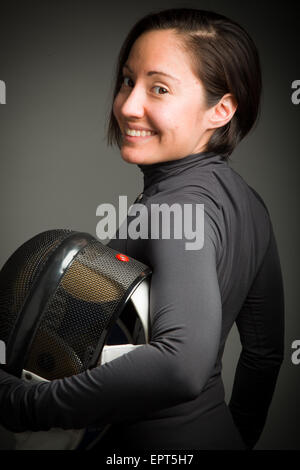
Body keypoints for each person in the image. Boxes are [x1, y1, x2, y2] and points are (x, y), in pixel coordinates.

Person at [0, 8, 284, 450]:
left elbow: (181, 365)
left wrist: (27, 405)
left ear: (221, 110)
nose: (128, 105)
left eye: (160, 88)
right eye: (128, 81)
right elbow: (264, 355)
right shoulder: (249, 203)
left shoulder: (174, 207)